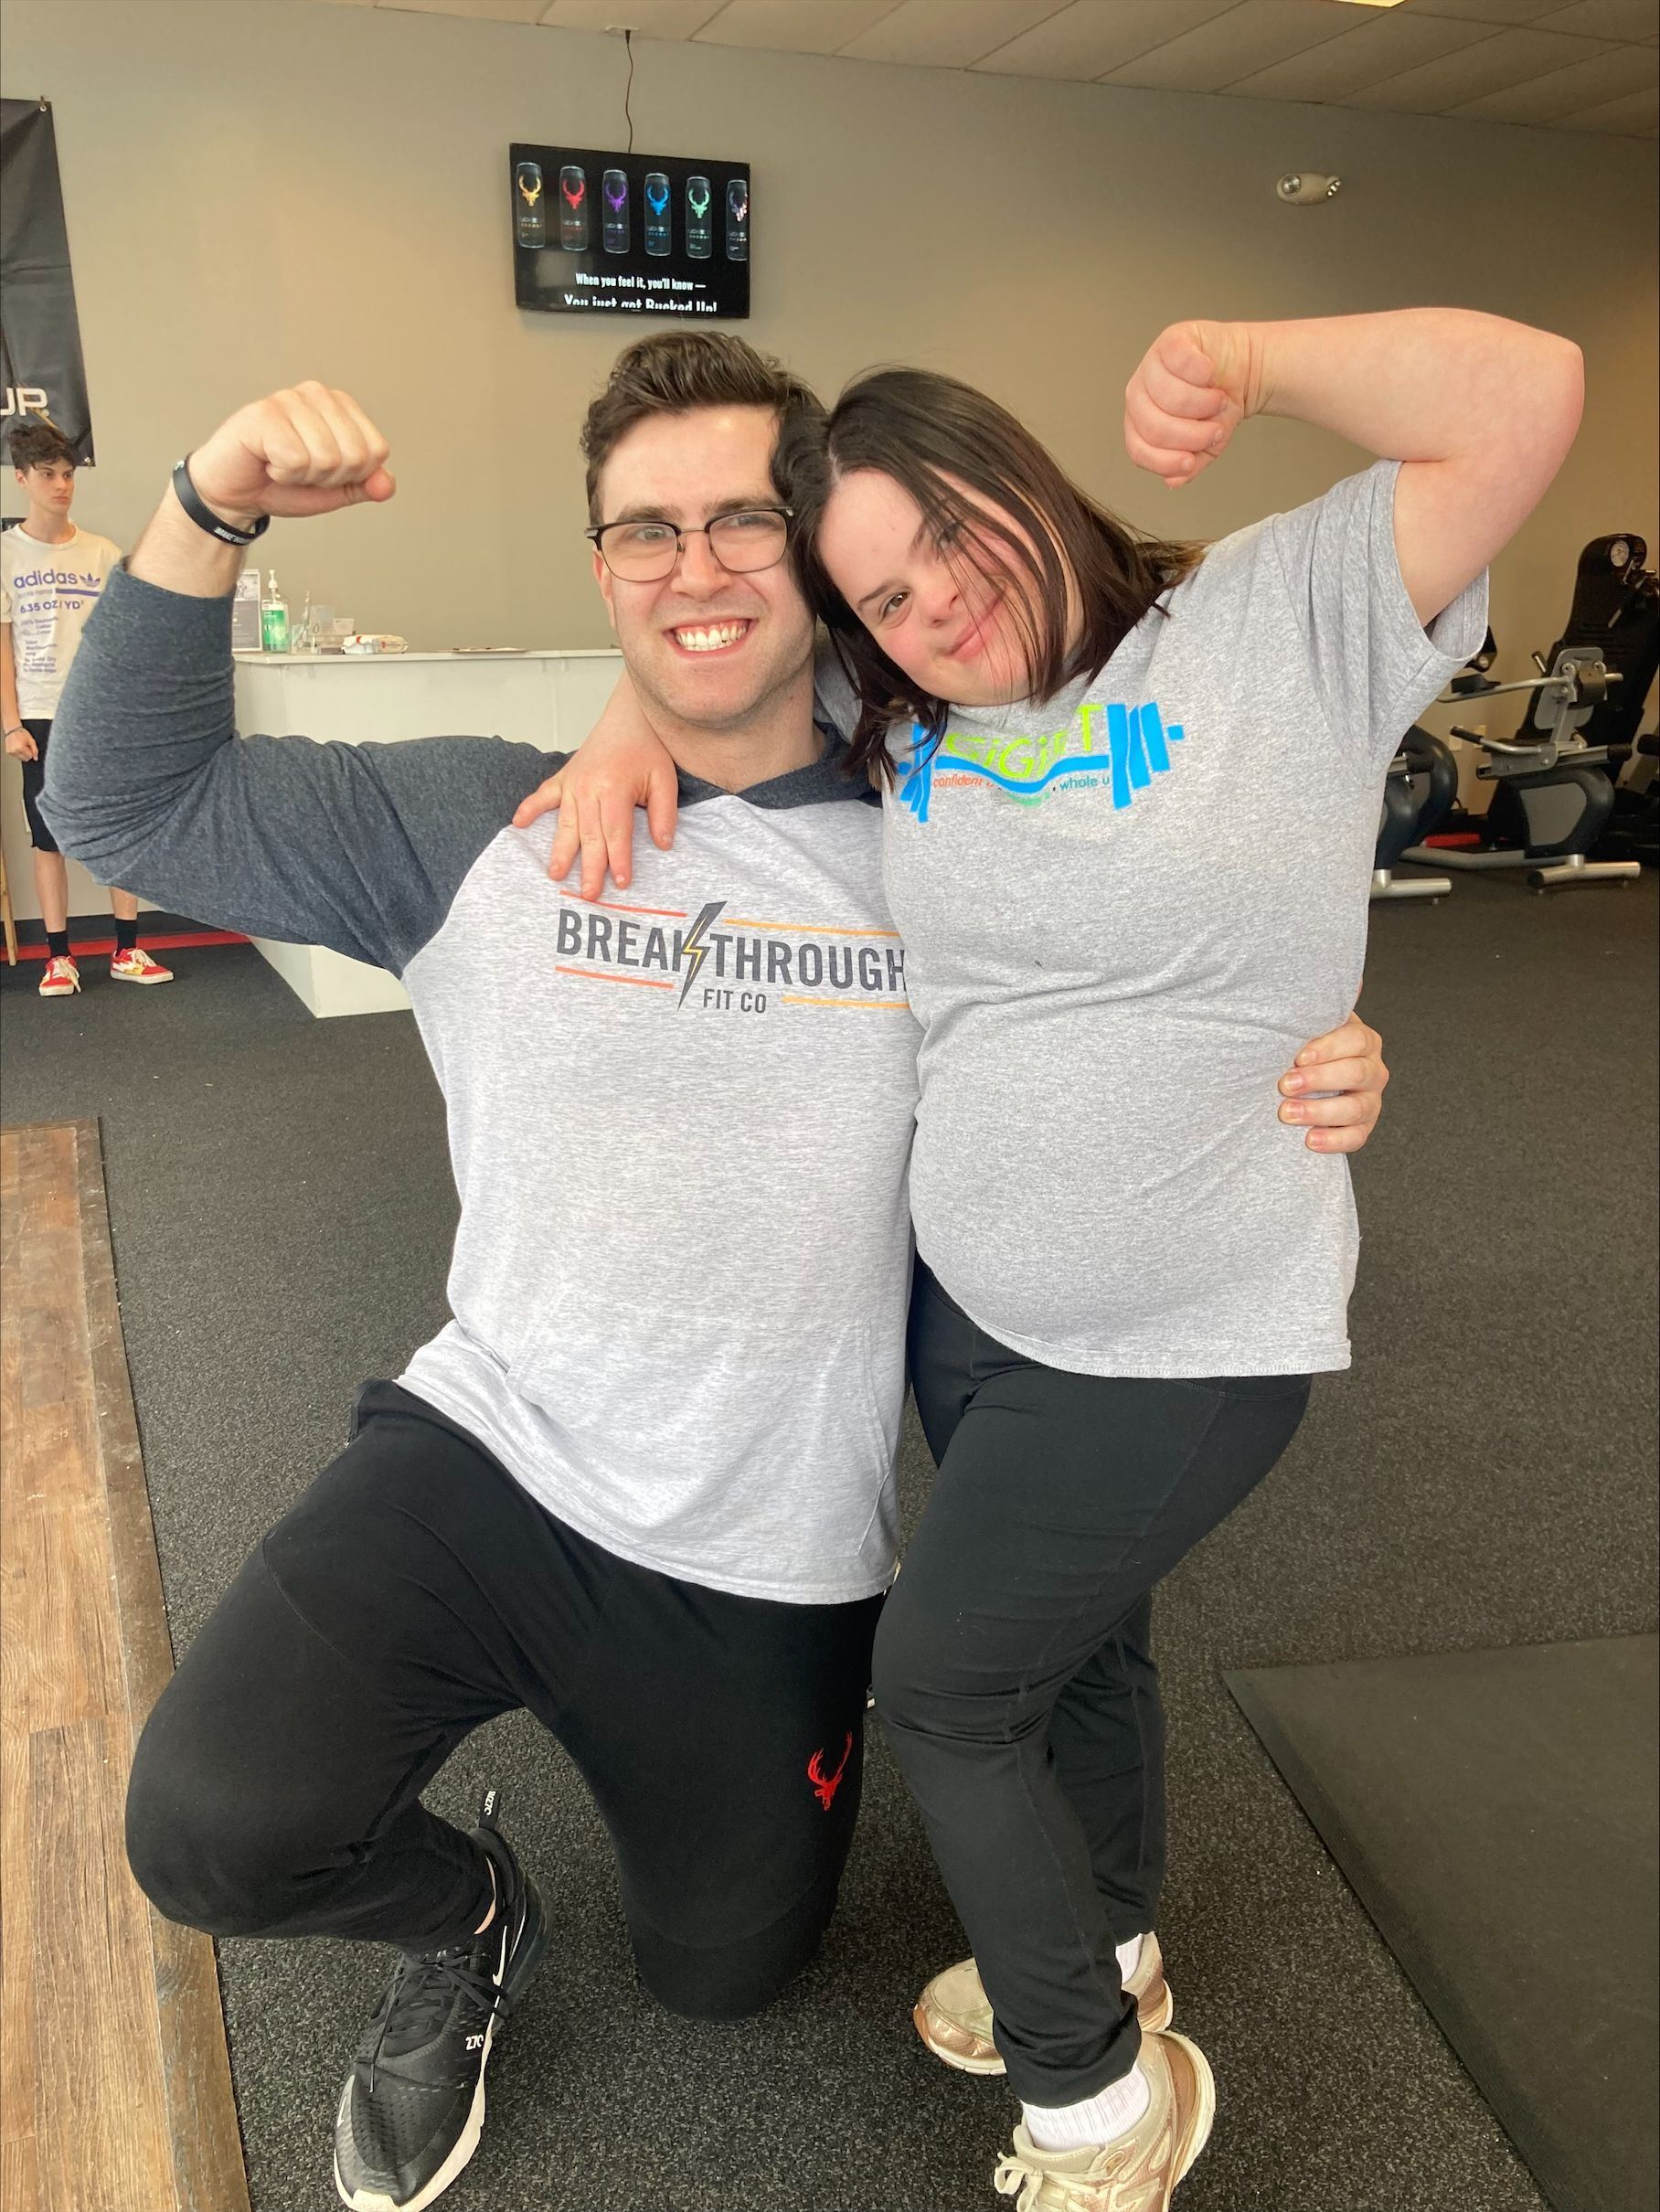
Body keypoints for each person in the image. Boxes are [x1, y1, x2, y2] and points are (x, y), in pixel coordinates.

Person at [44, 336, 1389, 2212]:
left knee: (725, 1975)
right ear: (600, 569)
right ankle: (471, 1915)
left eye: (745, 524)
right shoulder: (471, 823)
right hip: (484, 1460)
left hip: (766, 1548)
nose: (692, 571)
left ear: (821, 559)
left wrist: (1309, 1056)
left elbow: (1179, 929)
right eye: (641, 535)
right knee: (209, 1831)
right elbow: (111, 805)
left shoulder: (952, 837)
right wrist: (210, 500)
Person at [520, 309, 1581, 2207]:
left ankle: (1099, 2104)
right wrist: (616, 725)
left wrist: (1246, 359)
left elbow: (1526, 396)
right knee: (1077, 1647)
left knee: (942, 1685)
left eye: (945, 541)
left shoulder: (1276, 621)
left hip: (1191, 1329)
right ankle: (1103, 1947)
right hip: (971, 1313)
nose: (932, 606)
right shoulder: (905, 722)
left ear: (1017, 474)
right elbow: (707, 677)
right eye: (881, 596)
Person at [2, 417, 174, 994]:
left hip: (102, 715)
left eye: (68, 473)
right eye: (48, 474)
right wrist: (9, 725)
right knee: (47, 838)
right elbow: (1, 647)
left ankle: (127, 949)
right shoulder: (5, 554)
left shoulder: (103, 554)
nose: (61, 485)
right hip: (40, 716)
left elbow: (125, 640)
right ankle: (59, 956)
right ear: (22, 478)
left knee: (118, 828)